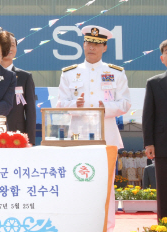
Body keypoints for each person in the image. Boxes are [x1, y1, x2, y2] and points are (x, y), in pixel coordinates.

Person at [56, 25, 131, 232]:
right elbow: (61, 103)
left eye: (97, 44)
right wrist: (74, 105)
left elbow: (125, 103)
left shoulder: (115, 72)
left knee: (106, 181)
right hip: (77, 135)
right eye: (89, 43)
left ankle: (106, 225)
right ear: (83, 45)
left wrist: (104, 107)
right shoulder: (69, 73)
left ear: (105, 48)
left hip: (107, 135)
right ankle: (77, 223)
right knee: (77, 177)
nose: (92, 48)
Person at [142, 39, 167, 221]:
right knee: (164, 188)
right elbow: (148, 116)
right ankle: (164, 224)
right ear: (162, 58)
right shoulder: (154, 83)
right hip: (162, 145)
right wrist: (149, 143)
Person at [1, 32, 36, 145]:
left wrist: (30, 142)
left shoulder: (25, 77)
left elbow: (30, 113)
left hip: (17, 137)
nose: (10, 48)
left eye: (13, 45)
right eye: (5, 44)